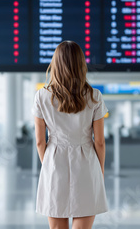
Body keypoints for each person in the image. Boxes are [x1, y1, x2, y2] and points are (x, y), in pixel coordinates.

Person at [32, 40, 109, 229]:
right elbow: (99, 141)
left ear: (55, 64)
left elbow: (41, 142)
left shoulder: (41, 96)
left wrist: (49, 164)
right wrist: (100, 170)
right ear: (80, 64)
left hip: (54, 160)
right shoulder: (94, 96)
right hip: (86, 163)